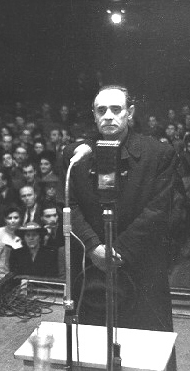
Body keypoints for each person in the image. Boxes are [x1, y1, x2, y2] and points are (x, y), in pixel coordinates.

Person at [64, 85, 177, 334]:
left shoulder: (159, 154)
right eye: (101, 110)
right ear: (93, 115)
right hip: (92, 266)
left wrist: (117, 252)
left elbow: (157, 212)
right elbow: (70, 206)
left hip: (140, 268)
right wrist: (94, 247)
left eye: (116, 109)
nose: (108, 115)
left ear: (130, 112)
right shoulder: (77, 155)